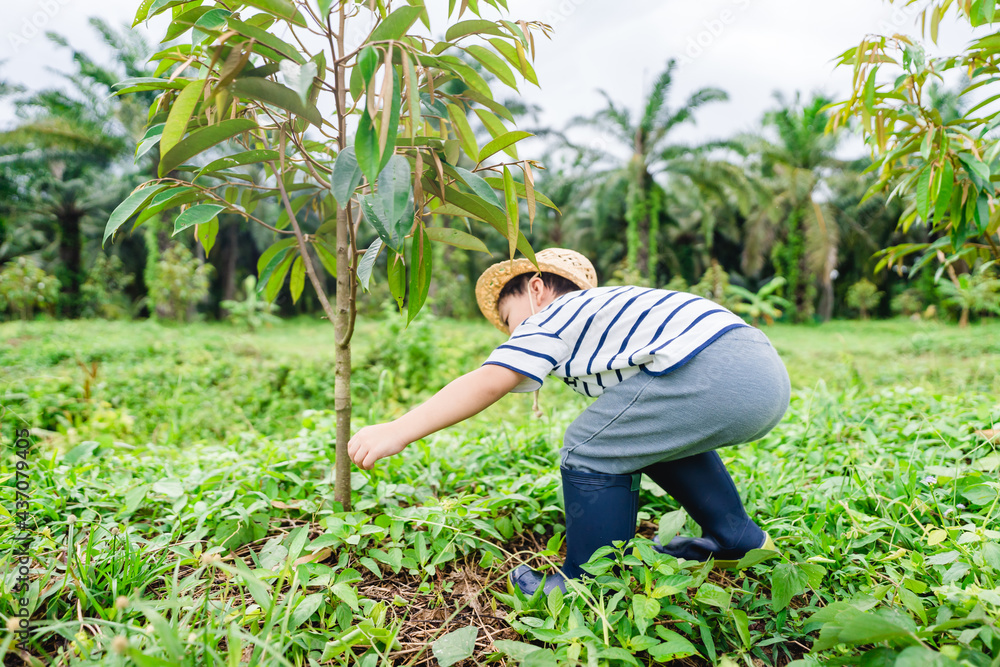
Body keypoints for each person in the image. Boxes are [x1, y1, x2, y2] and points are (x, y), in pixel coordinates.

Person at [348, 248, 791, 596]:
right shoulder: (608, 316)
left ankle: (587, 584)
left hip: (712, 368)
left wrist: (396, 430)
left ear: (536, 288)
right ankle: (738, 539)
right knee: (633, 437)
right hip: (760, 369)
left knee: (589, 446)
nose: (512, 333)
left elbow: (488, 382)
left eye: (509, 319)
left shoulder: (556, 313)